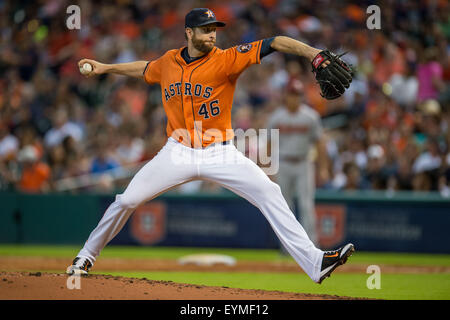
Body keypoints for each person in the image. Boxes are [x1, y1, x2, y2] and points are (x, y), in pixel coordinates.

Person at [67, 8, 354, 284]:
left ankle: (315, 263)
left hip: (221, 152)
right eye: (205, 30)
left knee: (270, 191)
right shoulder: (168, 62)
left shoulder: (227, 59)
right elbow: (144, 68)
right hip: (177, 152)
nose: (212, 35)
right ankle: (85, 256)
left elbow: (276, 42)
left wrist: (312, 53)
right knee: (127, 200)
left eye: (214, 29)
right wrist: (105, 67)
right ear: (188, 33)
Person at [267, 77, 327, 249]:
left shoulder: (310, 116)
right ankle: (288, 248)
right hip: (283, 163)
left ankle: (312, 247)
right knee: (284, 207)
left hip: (303, 163)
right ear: (286, 95)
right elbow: (269, 144)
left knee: (306, 205)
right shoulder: (277, 117)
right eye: (292, 94)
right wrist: (269, 169)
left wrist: (323, 168)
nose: (295, 97)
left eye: (298, 94)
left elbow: (320, 143)